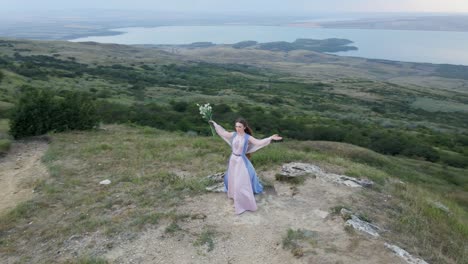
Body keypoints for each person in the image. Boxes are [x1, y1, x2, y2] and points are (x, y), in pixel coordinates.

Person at [209, 118, 282, 214]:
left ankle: (244, 202)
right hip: (233, 160)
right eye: (236, 126)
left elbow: (259, 142)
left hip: (241, 161)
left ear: (244, 127)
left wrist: (270, 138)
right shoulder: (233, 134)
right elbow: (223, 133)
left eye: (239, 126)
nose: (237, 128)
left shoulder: (248, 137)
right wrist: (215, 124)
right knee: (232, 178)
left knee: (241, 182)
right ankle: (234, 196)